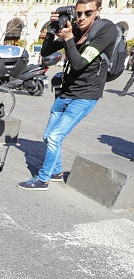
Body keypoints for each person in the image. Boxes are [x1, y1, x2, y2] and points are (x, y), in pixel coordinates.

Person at [18, 0, 118, 191]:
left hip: (86, 95)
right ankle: (55, 172)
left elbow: (79, 63)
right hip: (66, 91)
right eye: (78, 13)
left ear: (98, 11)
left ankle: (43, 179)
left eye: (87, 13)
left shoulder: (107, 30)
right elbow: (46, 52)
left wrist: (69, 38)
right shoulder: (75, 26)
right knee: (48, 136)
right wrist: (51, 29)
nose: (81, 18)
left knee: (55, 137)